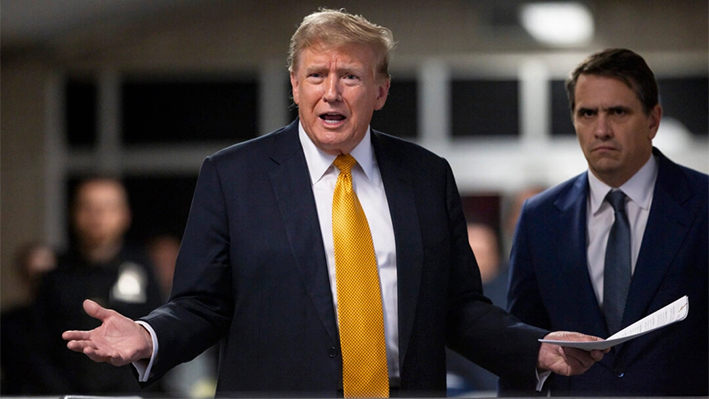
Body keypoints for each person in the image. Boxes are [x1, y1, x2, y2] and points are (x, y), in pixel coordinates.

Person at [63, 9, 607, 398]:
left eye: (351, 76)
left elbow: (460, 308)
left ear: (380, 91)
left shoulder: (426, 176)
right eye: (317, 75)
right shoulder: (233, 176)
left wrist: (535, 346)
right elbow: (202, 304)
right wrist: (148, 335)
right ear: (295, 86)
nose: (332, 92)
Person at [502, 48, 708, 396]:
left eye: (617, 112)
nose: (600, 129)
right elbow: (524, 344)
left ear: (653, 120)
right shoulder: (540, 217)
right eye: (587, 113)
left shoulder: (702, 204)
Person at [36, 177, 164, 395]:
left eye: (107, 207)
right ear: (73, 214)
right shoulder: (55, 276)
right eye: (88, 207)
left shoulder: (142, 270)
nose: (97, 216)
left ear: (125, 215)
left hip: (131, 395)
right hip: (67, 394)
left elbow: (158, 337)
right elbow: (39, 345)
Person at [445, 223, 509, 395]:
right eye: (469, 252)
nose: (474, 259)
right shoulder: (443, 297)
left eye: (482, 252)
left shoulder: (513, 292)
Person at [1, 242, 59, 394]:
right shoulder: (10, 322)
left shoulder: (73, 319)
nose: (40, 284)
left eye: (46, 276)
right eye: (32, 275)